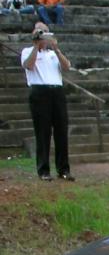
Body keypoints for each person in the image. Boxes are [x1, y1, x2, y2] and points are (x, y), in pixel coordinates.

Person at [21, 26, 72, 181]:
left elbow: (66, 66)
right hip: (39, 90)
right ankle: (43, 170)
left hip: (56, 90)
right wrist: (36, 46)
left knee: (61, 131)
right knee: (42, 132)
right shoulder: (27, 51)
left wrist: (56, 49)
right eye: (40, 32)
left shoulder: (53, 54)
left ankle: (63, 169)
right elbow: (29, 65)